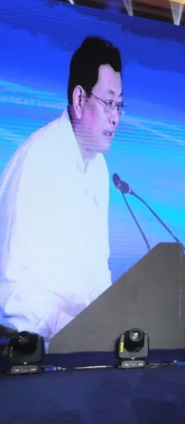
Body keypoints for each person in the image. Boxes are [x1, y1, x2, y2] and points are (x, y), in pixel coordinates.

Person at [0, 36, 123, 341]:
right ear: (80, 99)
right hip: (32, 347)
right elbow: (11, 290)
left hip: (81, 347)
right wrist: (66, 328)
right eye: (109, 103)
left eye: (120, 105)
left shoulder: (98, 168)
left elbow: (96, 274)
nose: (115, 118)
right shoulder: (37, 160)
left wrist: (113, 324)